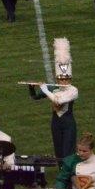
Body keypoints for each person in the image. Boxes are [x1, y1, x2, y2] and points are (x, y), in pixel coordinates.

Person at [28, 38, 78, 166]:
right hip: (55, 123)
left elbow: (58, 100)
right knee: (59, 152)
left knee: (68, 152)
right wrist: (31, 87)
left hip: (68, 124)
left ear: (70, 79)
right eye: (61, 79)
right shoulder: (52, 88)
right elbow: (35, 97)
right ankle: (61, 171)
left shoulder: (73, 90)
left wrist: (45, 89)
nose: (64, 82)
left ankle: (69, 173)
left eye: (66, 79)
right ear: (57, 79)